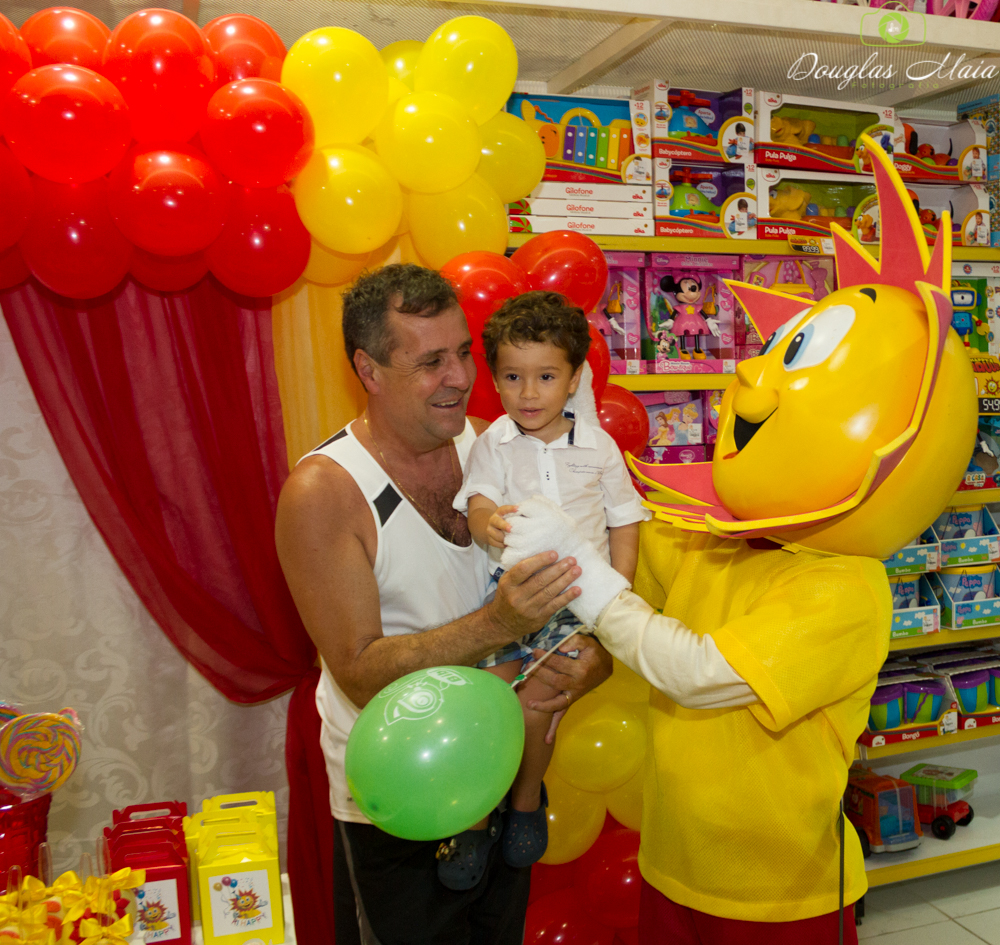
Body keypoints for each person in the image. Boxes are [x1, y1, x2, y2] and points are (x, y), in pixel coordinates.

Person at [275, 265, 613, 945]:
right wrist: (500, 623)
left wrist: (596, 656)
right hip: (398, 806)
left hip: (499, 778)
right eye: (431, 361)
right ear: (368, 369)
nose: (460, 375)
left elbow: (582, 569)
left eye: (462, 351)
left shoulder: (493, 444)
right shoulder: (325, 491)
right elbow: (359, 669)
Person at [453, 292, 648, 869]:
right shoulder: (493, 442)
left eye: (545, 376)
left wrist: (618, 594)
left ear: (574, 378)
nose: (528, 393)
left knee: (539, 701)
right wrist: (495, 523)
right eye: (513, 377)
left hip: (577, 599)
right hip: (509, 595)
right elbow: (477, 506)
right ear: (495, 379)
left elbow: (625, 519)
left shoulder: (599, 447)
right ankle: (474, 812)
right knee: (490, 701)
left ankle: (525, 800)